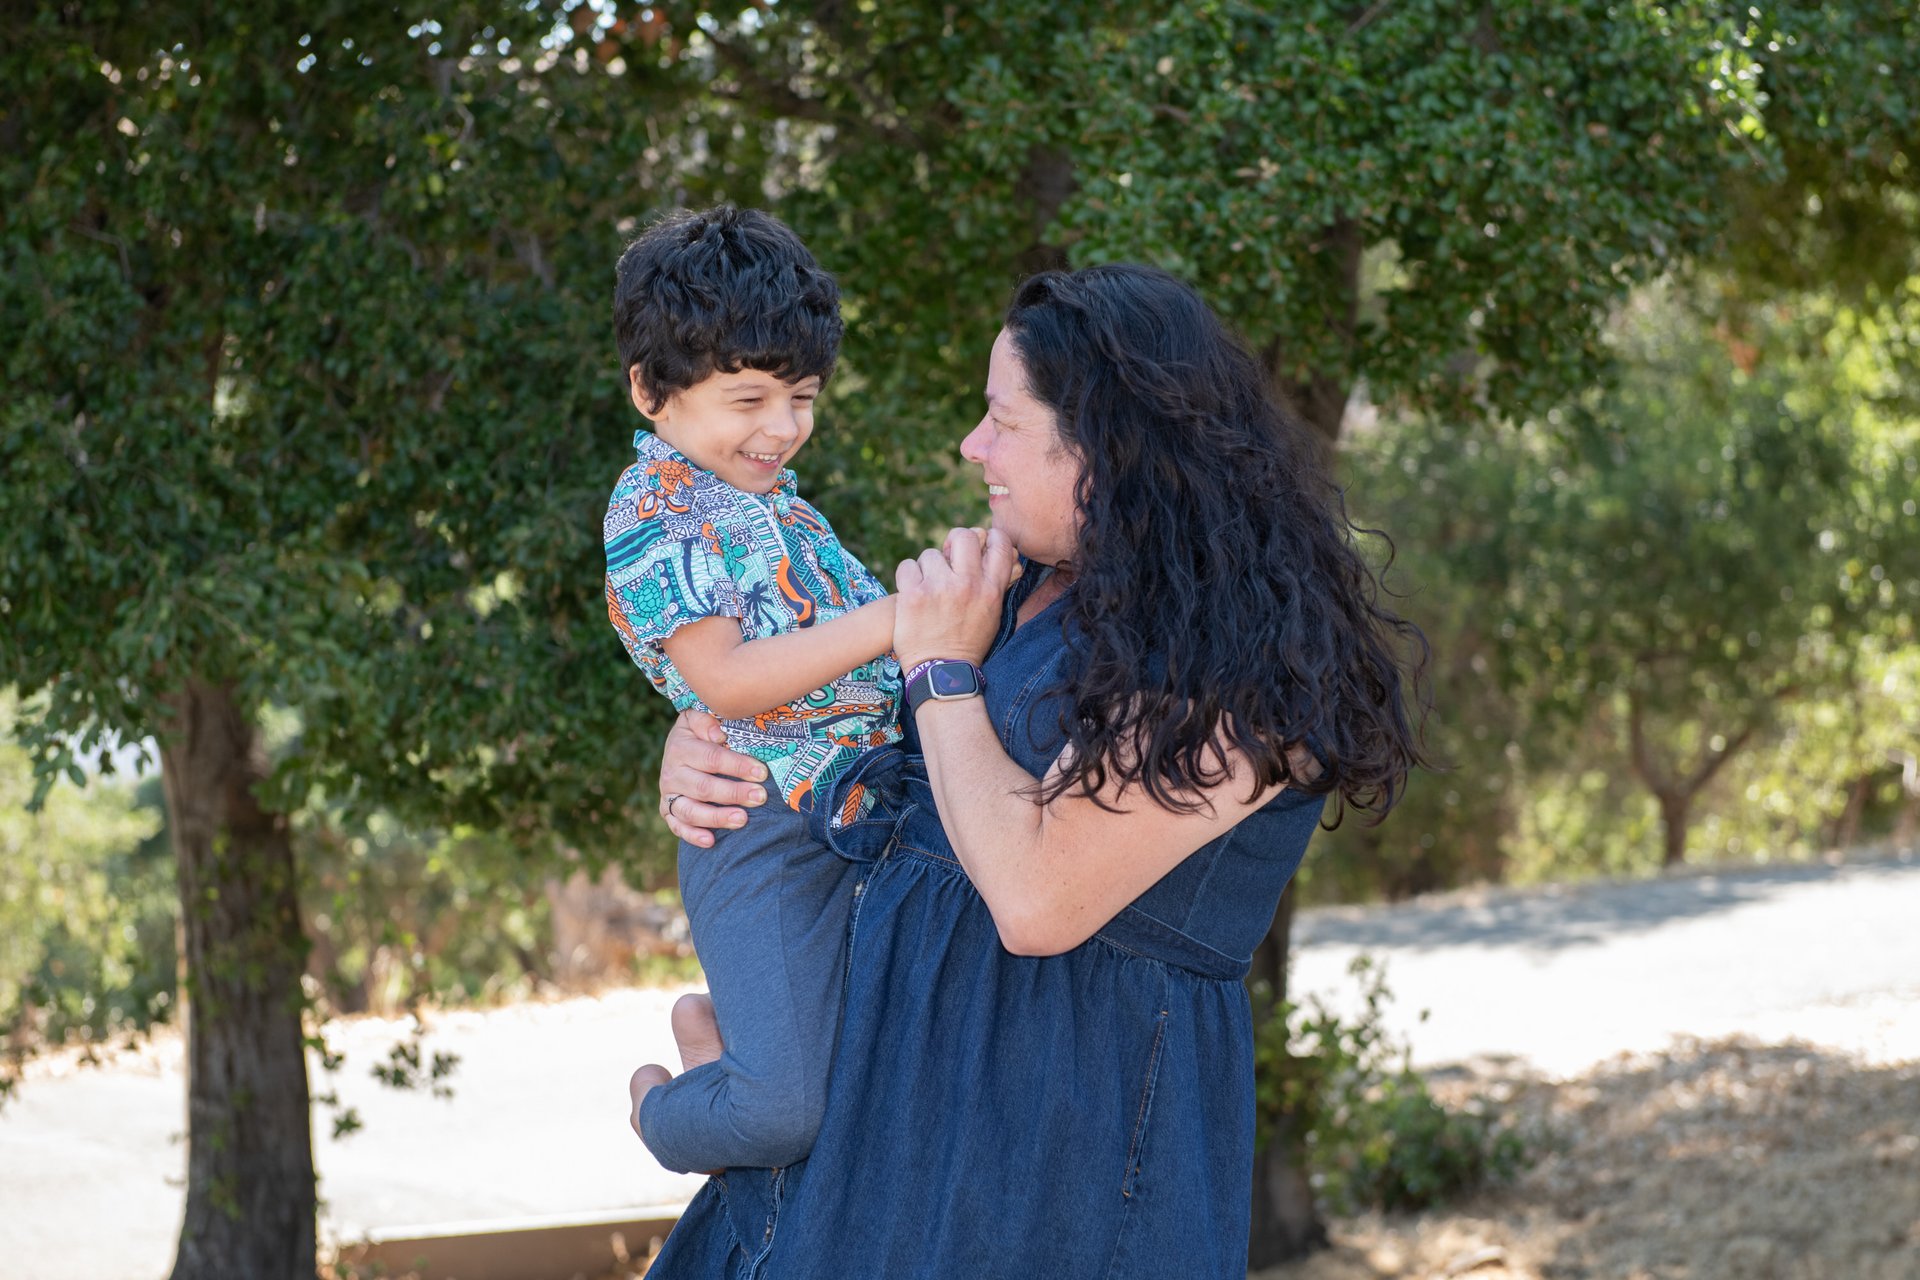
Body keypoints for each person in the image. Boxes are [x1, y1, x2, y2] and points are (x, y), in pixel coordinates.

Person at [636, 263, 1428, 1277]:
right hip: (868, 1150)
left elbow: (1037, 897)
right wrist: (704, 739)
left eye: (1003, 419)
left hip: (1055, 1167)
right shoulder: (1016, 592)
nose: (974, 446)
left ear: (1107, 439)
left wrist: (941, 670)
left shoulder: (1251, 666)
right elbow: (864, 749)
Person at [603, 205, 917, 1173]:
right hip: (764, 833)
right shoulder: (657, 506)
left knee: (865, 1082)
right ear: (652, 391)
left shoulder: (773, 504)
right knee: (782, 1112)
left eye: (803, 396)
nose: (783, 427)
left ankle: (725, 1044)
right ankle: (668, 1105)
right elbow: (727, 680)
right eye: (749, 400)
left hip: (860, 807)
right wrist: (905, 615)